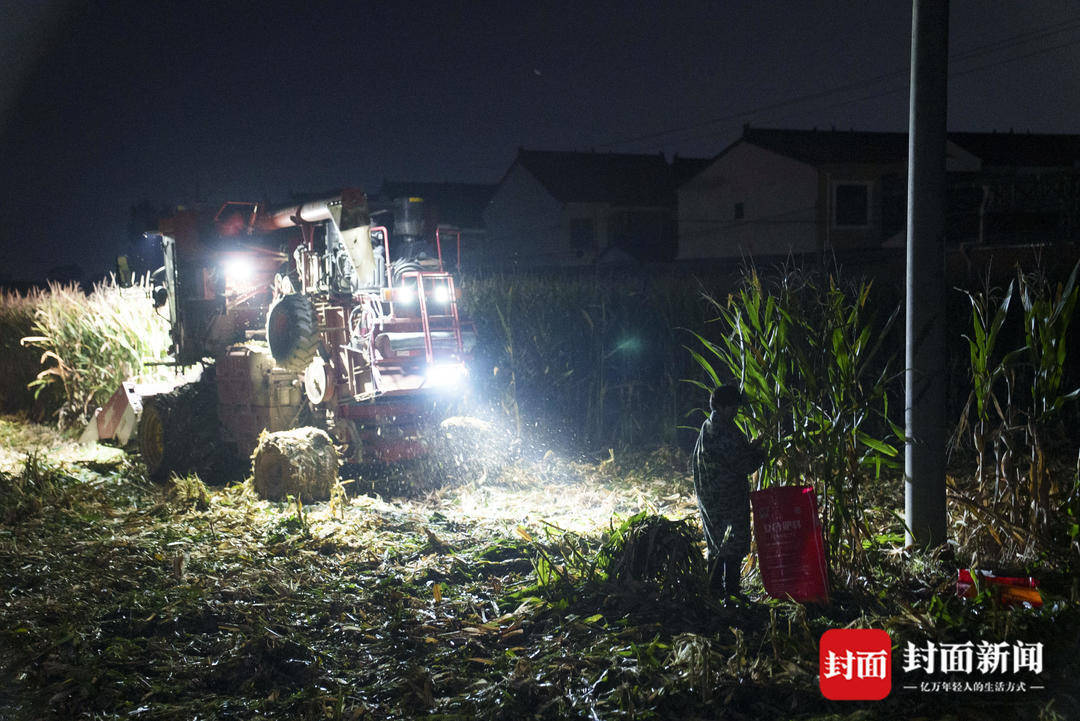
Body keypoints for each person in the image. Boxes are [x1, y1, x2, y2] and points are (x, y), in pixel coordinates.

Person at [692, 385, 765, 597]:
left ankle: (715, 590)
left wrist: (750, 447)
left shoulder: (710, 426)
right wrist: (760, 454)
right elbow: (742, 464)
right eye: (733, 407)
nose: (735, 412)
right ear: (722, 407)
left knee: (717, 543)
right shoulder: (722, 431)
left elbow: (732, 456)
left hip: (713, 497)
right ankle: (730, 591)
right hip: (726, 497)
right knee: (732, 542)